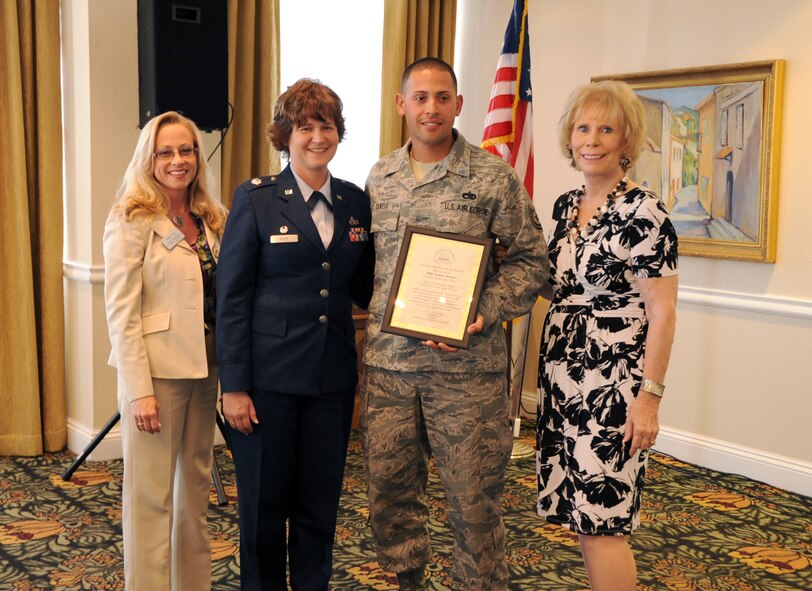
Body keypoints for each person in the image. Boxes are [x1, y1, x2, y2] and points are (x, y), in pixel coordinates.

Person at [361, 57, 549, 590]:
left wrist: (482, 310)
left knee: (473, 501)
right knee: (391, 493)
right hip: (390, 369)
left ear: (459, 105)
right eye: (420, 98)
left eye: (442, 97)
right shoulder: (380, 178)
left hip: (466, 374)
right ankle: (409, 582)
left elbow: (532, 261)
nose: (431, 108)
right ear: (401, 105)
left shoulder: (493, 177)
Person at [215, 79, 374, 591]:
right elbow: (231, 299)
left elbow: (369, 286)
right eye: (305, 126)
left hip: (331, 381)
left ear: (338, 133)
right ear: (285, 135)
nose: (316, 137)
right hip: (267, 383)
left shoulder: (354, 202)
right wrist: (234, 386)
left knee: (319, 505)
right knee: (263, 508)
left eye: (326, 126)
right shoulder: (256, 199)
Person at [535, 80, 679, 591]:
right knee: (580, 517)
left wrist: (649, 400)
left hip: (613, 388)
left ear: (625, 141)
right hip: (560, 379)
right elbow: (556, 289)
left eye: (605, 129)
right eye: (582, 127)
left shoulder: (645, 213)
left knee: (604, 521)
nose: (591, 139)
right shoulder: (563, 205)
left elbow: (663, 312)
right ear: (569, 137)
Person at [103, 111, 227, 591]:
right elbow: (121, 313)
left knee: (194, 495)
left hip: (206, 368)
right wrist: (139, 392)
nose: (179, 161)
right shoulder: (131, 217)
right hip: (155, 377)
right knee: (150, 499)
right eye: (166, 152)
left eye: (187, 150)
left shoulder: (211, 217)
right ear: (149, 159)